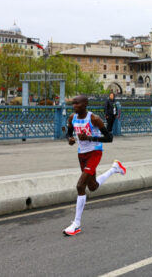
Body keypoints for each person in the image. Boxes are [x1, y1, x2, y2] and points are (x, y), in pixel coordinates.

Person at [63, 95, 126, 236]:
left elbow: (109, 138)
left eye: (77, 103)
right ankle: (115, 168)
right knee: (92, 186)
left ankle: (76, 224)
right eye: (73, 104)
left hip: (95, 152)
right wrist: (70, 139)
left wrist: (90, 138)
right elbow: (68, 134)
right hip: (82, 154)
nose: (74, 106)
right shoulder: (72, 118)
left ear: (85, 104)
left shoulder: (94, 119)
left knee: (80, 186)